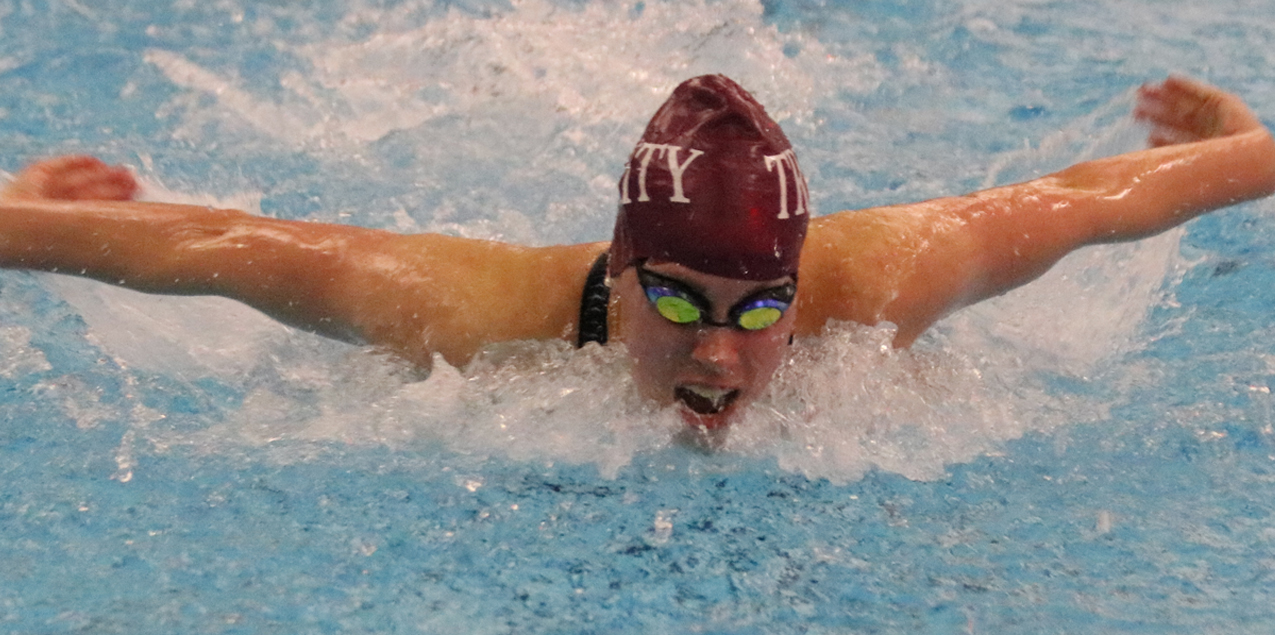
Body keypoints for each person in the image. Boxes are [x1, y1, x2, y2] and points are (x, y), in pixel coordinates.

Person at [1, 75, 1272, 434]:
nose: (717, 353)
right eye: (674, 296)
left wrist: (1238, 145)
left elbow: (1102, 198)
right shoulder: (461, 309)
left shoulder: (882, 277)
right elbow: (206, 246)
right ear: (616, 269)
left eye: (758, 306)